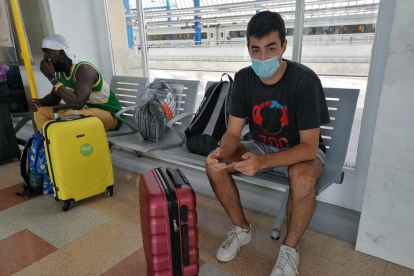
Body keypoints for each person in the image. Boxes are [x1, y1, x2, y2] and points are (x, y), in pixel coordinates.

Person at [205, 11, 330, 276]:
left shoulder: (304, 81)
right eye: (256, 50)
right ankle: (241, 230)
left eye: (270, 48)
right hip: (261, 145)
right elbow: (233, 133)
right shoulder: (244, 79)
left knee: (303, 177)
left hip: (301, 151)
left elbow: (309, 146)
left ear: (284, 46)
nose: (262, 57)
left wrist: (262, 162)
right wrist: (222, 151)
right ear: (248, 49)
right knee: (215, 165)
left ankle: (289, 250)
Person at [28, 34, 122, 131]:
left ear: (61, 53)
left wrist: (52, 78)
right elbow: (55, 97)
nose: (45, 57)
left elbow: (77, 104)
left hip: (109, 114)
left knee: (71, 116)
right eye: (44, 53)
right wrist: (39, 102)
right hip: (84, 112)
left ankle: (65, 144)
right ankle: (48, 143)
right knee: (41, 111)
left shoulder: (84, 69)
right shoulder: (60, 73)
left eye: (49, 52)